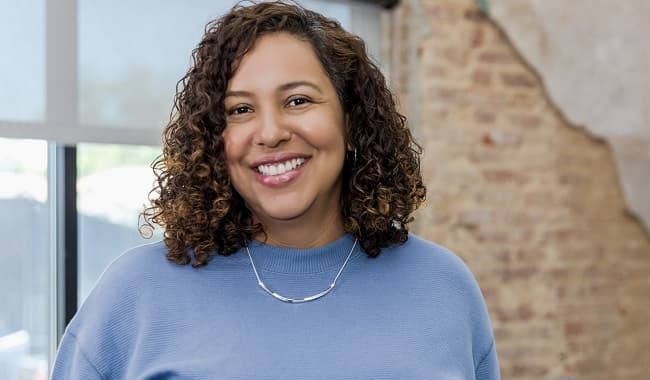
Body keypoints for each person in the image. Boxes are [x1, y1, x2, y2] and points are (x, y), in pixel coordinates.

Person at [51, 1, 500, 379]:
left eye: (298, 100)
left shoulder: (444, 287)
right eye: (240, 109)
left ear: (352, 119)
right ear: (213, 137)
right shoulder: (134, 294)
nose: (269, 133)